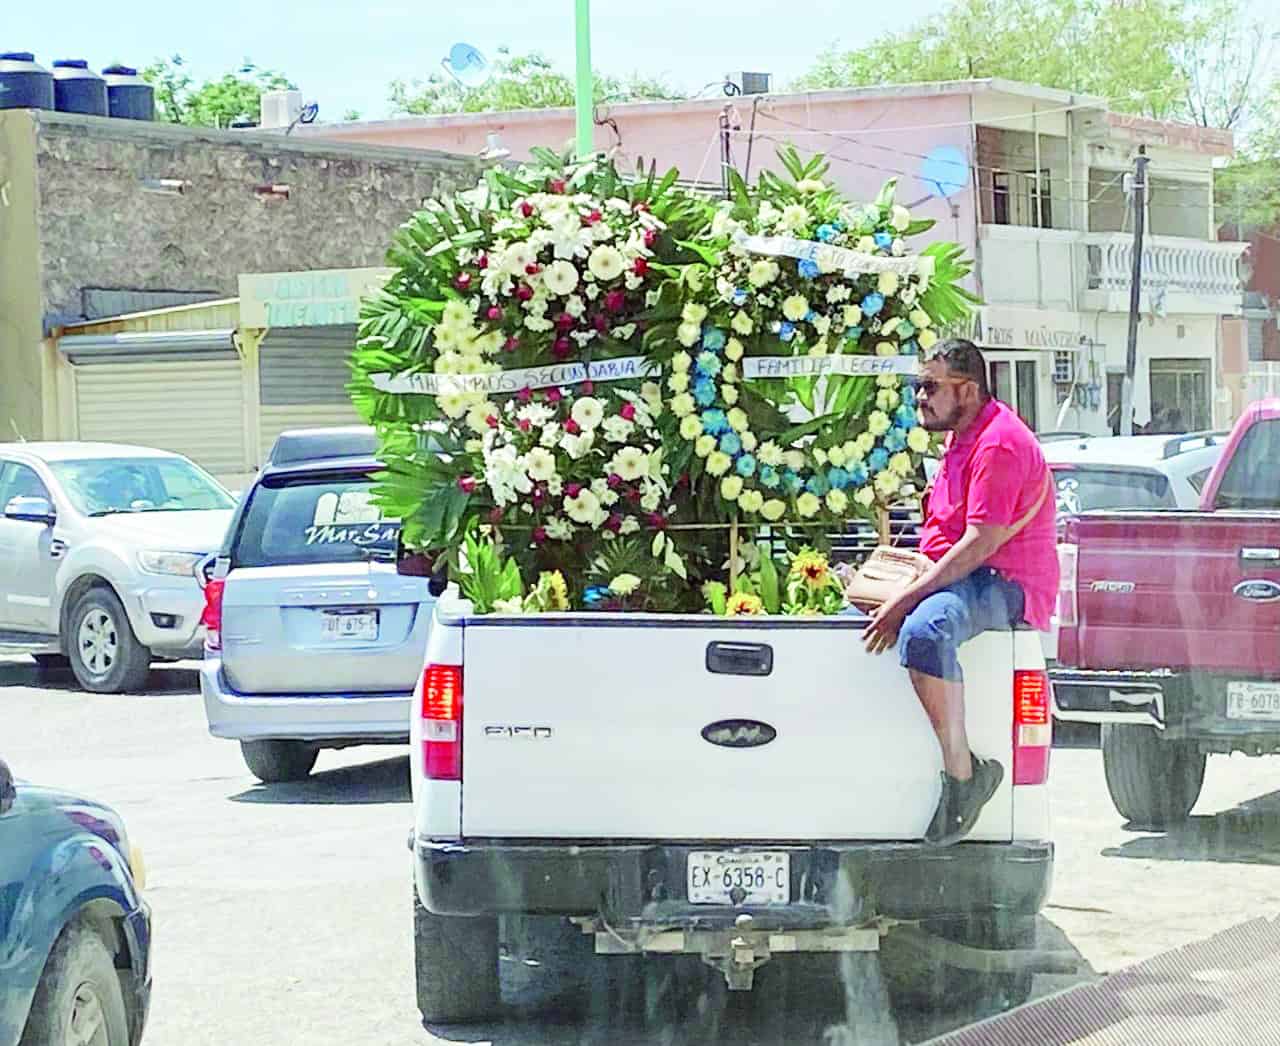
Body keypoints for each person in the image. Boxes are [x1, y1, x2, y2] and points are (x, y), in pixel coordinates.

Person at [863, 339, 1058, 846]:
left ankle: (964, 777)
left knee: (924, 631)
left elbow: (979, 544)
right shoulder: (962, 436)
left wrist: (903, 601)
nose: (919, 398)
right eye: (917, 386)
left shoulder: (998, 443)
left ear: (967, 390)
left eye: (930, 387)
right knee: (853, 613)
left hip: (1002, 582)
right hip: (962, 573)